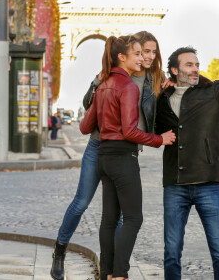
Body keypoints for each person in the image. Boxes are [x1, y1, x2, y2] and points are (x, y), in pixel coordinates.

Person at [50, 31, 170, 280]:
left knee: (114, 217)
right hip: (100, 145)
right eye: (142, 51)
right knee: (83, 203)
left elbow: (158, 115)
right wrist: (97, 82)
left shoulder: (155, 80)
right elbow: (88, 111)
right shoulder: (110, 77)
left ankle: (111, 270)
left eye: (152, 52)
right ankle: (61, 251)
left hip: (125, 148)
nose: (147, 56)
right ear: (126, 54)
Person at [155, 46, 219, 280]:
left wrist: (204, 80)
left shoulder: (214, 93)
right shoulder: (162, 98)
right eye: (189, 65)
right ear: (174, 70)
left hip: (208, 182)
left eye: (197, 65)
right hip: (175, 184)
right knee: (171, 253)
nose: (195, 69)